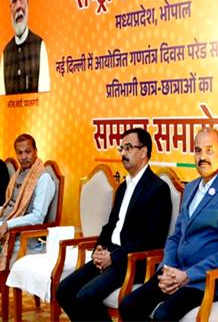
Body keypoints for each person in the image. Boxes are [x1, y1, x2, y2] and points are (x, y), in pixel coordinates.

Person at [119, 128, 218, 321]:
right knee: (129, 305)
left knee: (164, 315)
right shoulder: (191, 188)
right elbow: (176, 236)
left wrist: (187, 275)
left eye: (209, 150)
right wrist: (167, 268)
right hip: (176, 271)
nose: (202, 157)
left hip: (207, 280)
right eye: (198, 150)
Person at [56, 128, 172, 322]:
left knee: (85, 297)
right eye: (121, 148)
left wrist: (113, 257)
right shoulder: (124, 187)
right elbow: (110, 226)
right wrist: (99, 249)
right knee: (64, 290)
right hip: (109, 255)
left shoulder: (158, 189)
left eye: (128, 147)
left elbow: (151, 239)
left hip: (131, 262)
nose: (123, 153)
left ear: (144, 152)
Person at [0, 134, 55, 270]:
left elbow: (37, 217)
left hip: (22, 237)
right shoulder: (18, 175)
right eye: (20, 153)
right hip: (7, 227)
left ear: (35, 151)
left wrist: (8, 224)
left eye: (28, 151)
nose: (24, 157)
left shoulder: (43, 178)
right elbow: (10, 206)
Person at [0, 0, 50, 95]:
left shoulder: (39, 47)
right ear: (10, 8)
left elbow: (45, 99)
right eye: (14, 0)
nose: (18, 6)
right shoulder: (6, 54)